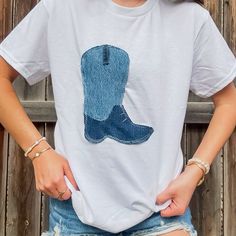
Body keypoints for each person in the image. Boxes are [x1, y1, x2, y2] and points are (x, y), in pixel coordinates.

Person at [0, 0, 235, 235]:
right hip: (76, 210)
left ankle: (108, 118)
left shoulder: (189, 18)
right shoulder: (61, 8)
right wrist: (38, 151)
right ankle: (102, 119)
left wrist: (196, 170)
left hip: (161, 212)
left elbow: (229, 102)